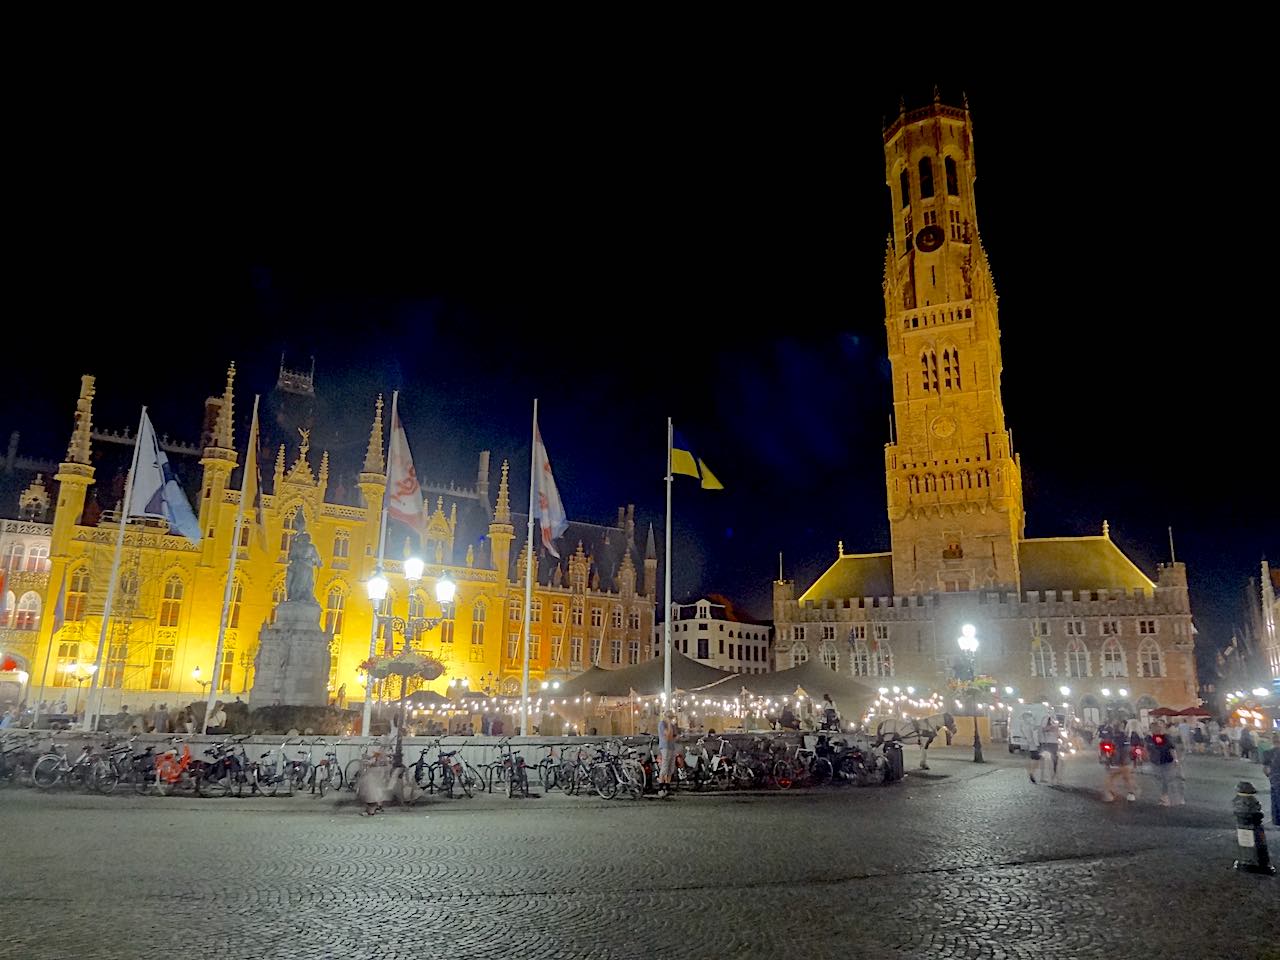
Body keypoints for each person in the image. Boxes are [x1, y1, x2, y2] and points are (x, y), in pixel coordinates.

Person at [1099, 717, 1137, 802]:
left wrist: (1106, 757)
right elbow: (1131, 749)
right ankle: (1130, 794)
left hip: (1117, 762)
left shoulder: (1113, 737)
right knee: (1126, 778)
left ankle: (1110, 794)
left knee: (1111, 777)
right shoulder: (1127, 736)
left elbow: (1106, 748)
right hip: (1124, 762)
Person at [1145, 722, 1184, 806]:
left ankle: (1168, 797)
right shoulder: (1149, 738)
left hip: (1166, 761)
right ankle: (1165, 796)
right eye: (1153, 728)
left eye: (1157, 728)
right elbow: (1148, 749)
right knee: (1159, 779)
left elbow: (1172, 748)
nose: (1156, 730)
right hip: (1155, 762)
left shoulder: (1166, 737)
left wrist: (1175, 759)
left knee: (1167, 779)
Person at [657, 709, 679, 798]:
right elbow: (668, 736)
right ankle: (661, 787)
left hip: (672, 747)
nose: (670, 719)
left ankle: (667, 786)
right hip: (665, 747)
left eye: (671, 717)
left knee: (671, 768)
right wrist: (669, 725)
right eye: (669, 717)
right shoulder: (662, 724)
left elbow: (674, 736)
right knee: (664, 767)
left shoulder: (672, 726)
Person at [1037, 713, 1062, 783]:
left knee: (1053, 760)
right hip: (1048, 743)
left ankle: (1053, 776)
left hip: (1051, 743)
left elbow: (1057, 734)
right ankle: (1049, 777)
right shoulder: (1045, 723)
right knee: (1048, 760)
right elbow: (1044, 729)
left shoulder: (1054, 725)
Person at [1263, 732, 1280, 826]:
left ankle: (1276, 820)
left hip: (1274, 778)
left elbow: (1266, 770)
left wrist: (1271, 776)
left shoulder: (1268, 753)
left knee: (1275, 800)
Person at [1020, 711, 1041, 784]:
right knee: (1036, 760)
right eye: (1029, 717)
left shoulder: (1023, 725)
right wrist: (1037, 744)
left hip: (1029, 745)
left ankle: (1031, 773)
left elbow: (1024, 735)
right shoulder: (1030, 725)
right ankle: (1032, 773)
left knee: (1032, 759)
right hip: (1033, 745)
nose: (1031, 718)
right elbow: (1034, 735)